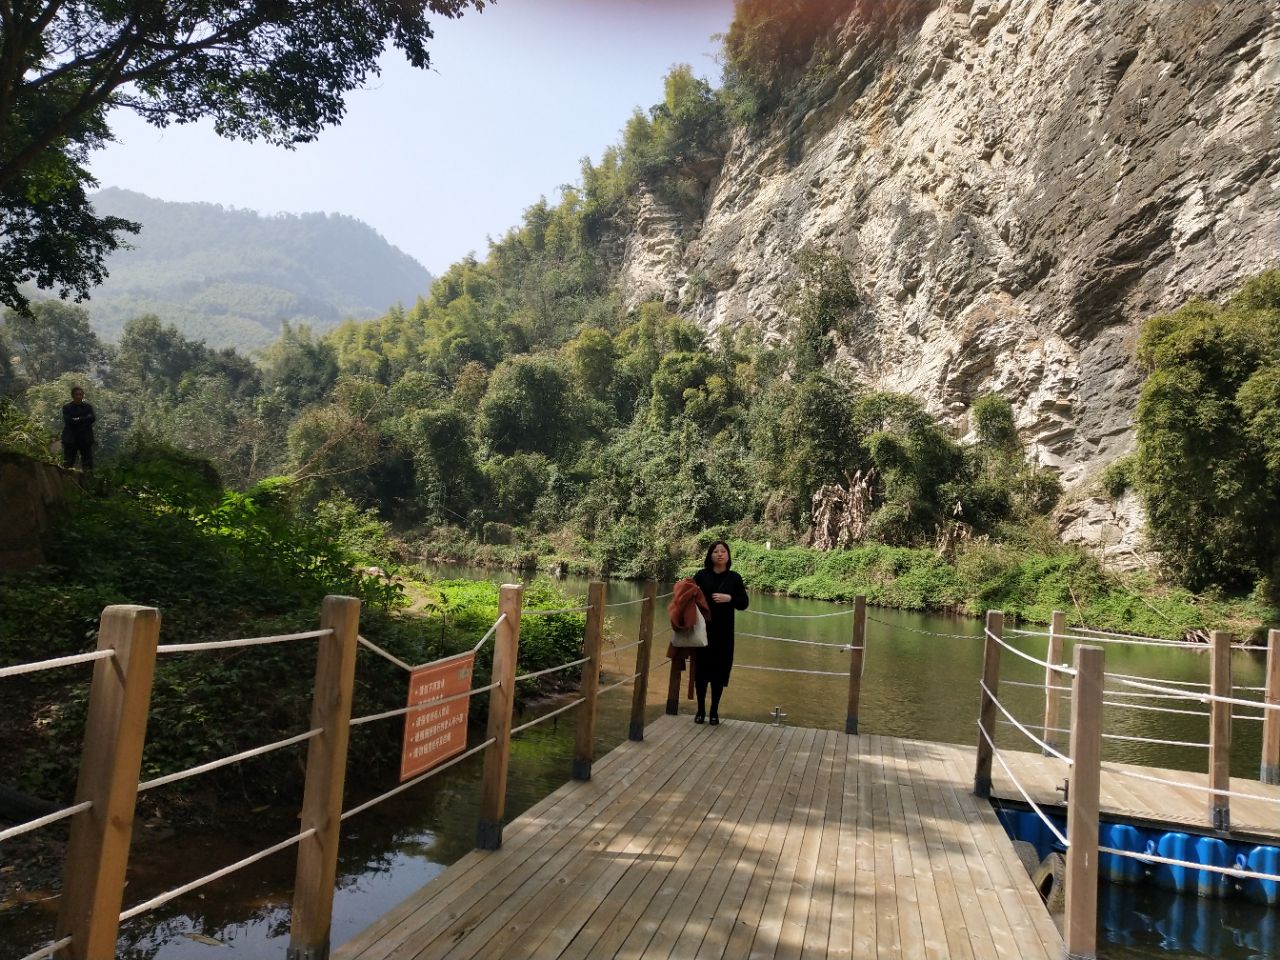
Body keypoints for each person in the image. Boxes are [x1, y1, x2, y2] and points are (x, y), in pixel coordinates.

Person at [691, 540, 748, 725]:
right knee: (701, 671)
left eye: (723, 551)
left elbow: (743, 603)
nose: (720, 554)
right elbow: (688, 596)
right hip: (703, 632)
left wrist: (729, 598)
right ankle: (700, 710)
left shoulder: (735, 578)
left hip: (724, 634)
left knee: (719, 672)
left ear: (728, 555)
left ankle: (714, 711)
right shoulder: (701, 576)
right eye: (716, 551)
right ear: (710, 555)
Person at [61, 386, 96, 470]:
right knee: (68, 462)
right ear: (73, 396)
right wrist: (84, 419)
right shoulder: (67, 407)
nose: (79, 396)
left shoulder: (88, 407)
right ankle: (66, 479)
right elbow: (69, 421)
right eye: (77, 394)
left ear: (83, 395)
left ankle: (88, 481)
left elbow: (92, 418)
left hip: (85, 438)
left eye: (81, 394)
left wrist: (79, 419)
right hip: (71, 439)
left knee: (87, 463)